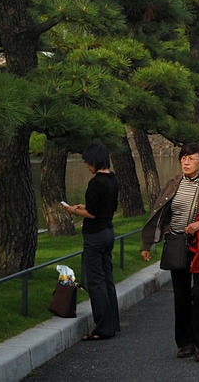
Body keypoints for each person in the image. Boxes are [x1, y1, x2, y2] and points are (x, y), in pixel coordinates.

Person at [140, 143, 199, 362]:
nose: (186, 162)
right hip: (176, 244)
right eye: (183, 158)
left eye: (191, 158)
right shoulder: (173, 184)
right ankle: (184, 342)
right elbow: (158, 213)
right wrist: (148, 243)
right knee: (180, 295)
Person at [62, 141, 120, 341]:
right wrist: (84, 206)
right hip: (108, 231)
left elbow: (92, 213)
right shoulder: (113, 179)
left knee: (95, 281)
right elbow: (105, 207)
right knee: (107, 278)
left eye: (88, 162)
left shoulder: (96, 182)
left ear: (94, 161)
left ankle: (103, 327)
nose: (87, 166)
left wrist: (73, 210)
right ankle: (114, 322)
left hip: (95, 235)